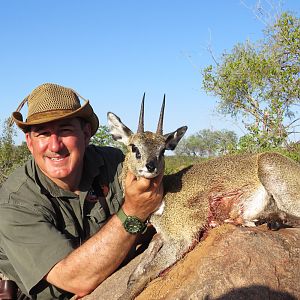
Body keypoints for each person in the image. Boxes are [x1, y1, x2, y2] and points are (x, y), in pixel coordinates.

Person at [0, 83, 163, 299]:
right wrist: (134, 212)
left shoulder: (114, 163)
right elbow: (76, 280)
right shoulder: (16, 201)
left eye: (65, 131)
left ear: (86, 134)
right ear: (29, 142)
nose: (55, 145)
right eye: (43, 134)